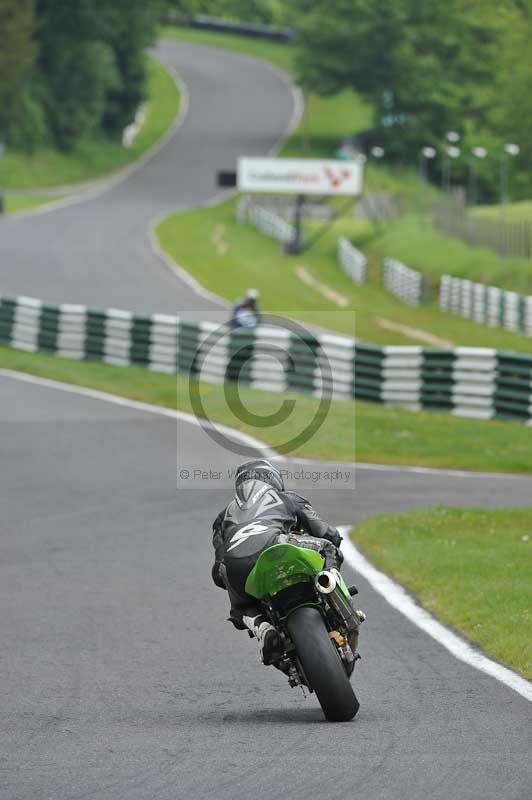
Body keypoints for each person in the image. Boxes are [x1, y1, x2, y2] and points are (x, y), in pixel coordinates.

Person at [211, 459, 345, 664]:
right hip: (277, 543)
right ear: (273, 479)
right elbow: (327, 533)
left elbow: (217, 572)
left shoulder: (222, 519)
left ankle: (263, 628)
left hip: (236, 564)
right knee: (328, 548)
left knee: (240, 609)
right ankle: (330, 590)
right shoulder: (287, 497)